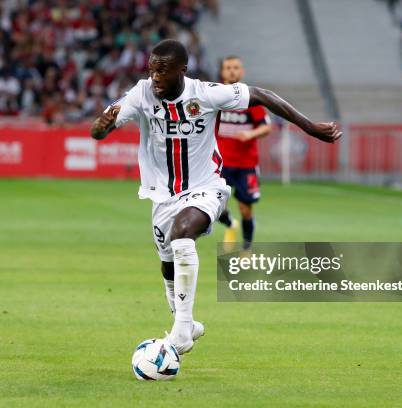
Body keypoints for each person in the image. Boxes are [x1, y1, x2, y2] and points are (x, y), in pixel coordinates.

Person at [90, 39, 341, 355]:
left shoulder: (206, 94)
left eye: (162, 71)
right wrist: (101, 127)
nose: (155, 77)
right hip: (163, 196)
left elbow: (262, 95)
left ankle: (180, 334)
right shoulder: (141, 94)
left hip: (206, 187)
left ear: (182, 70)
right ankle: (186, 323)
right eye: (152, 70)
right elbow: (100, 130)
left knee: (183, 235)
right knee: (168, 262)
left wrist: (309, 127)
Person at [215, 56, 272, 251]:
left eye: (236, 67)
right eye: (228, 68)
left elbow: (266, 127)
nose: (232, 71)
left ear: (242, 72)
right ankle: (230, 224)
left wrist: (250, 134)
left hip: (246, 164)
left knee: (245, 209)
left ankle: (246, 249)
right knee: (214, 207)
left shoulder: (250, 98)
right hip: (218, 164)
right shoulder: (214, 97)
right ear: (222, 72)